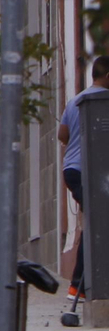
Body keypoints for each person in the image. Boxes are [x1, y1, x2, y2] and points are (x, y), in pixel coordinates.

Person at [59, 55, 109, 303]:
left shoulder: (75, 101)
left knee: (98, 221)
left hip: (72, 169)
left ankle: (79, 286)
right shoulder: (103, 101)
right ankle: (76, 287)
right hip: (88, 171)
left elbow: (62, 134)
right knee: (98, 223)